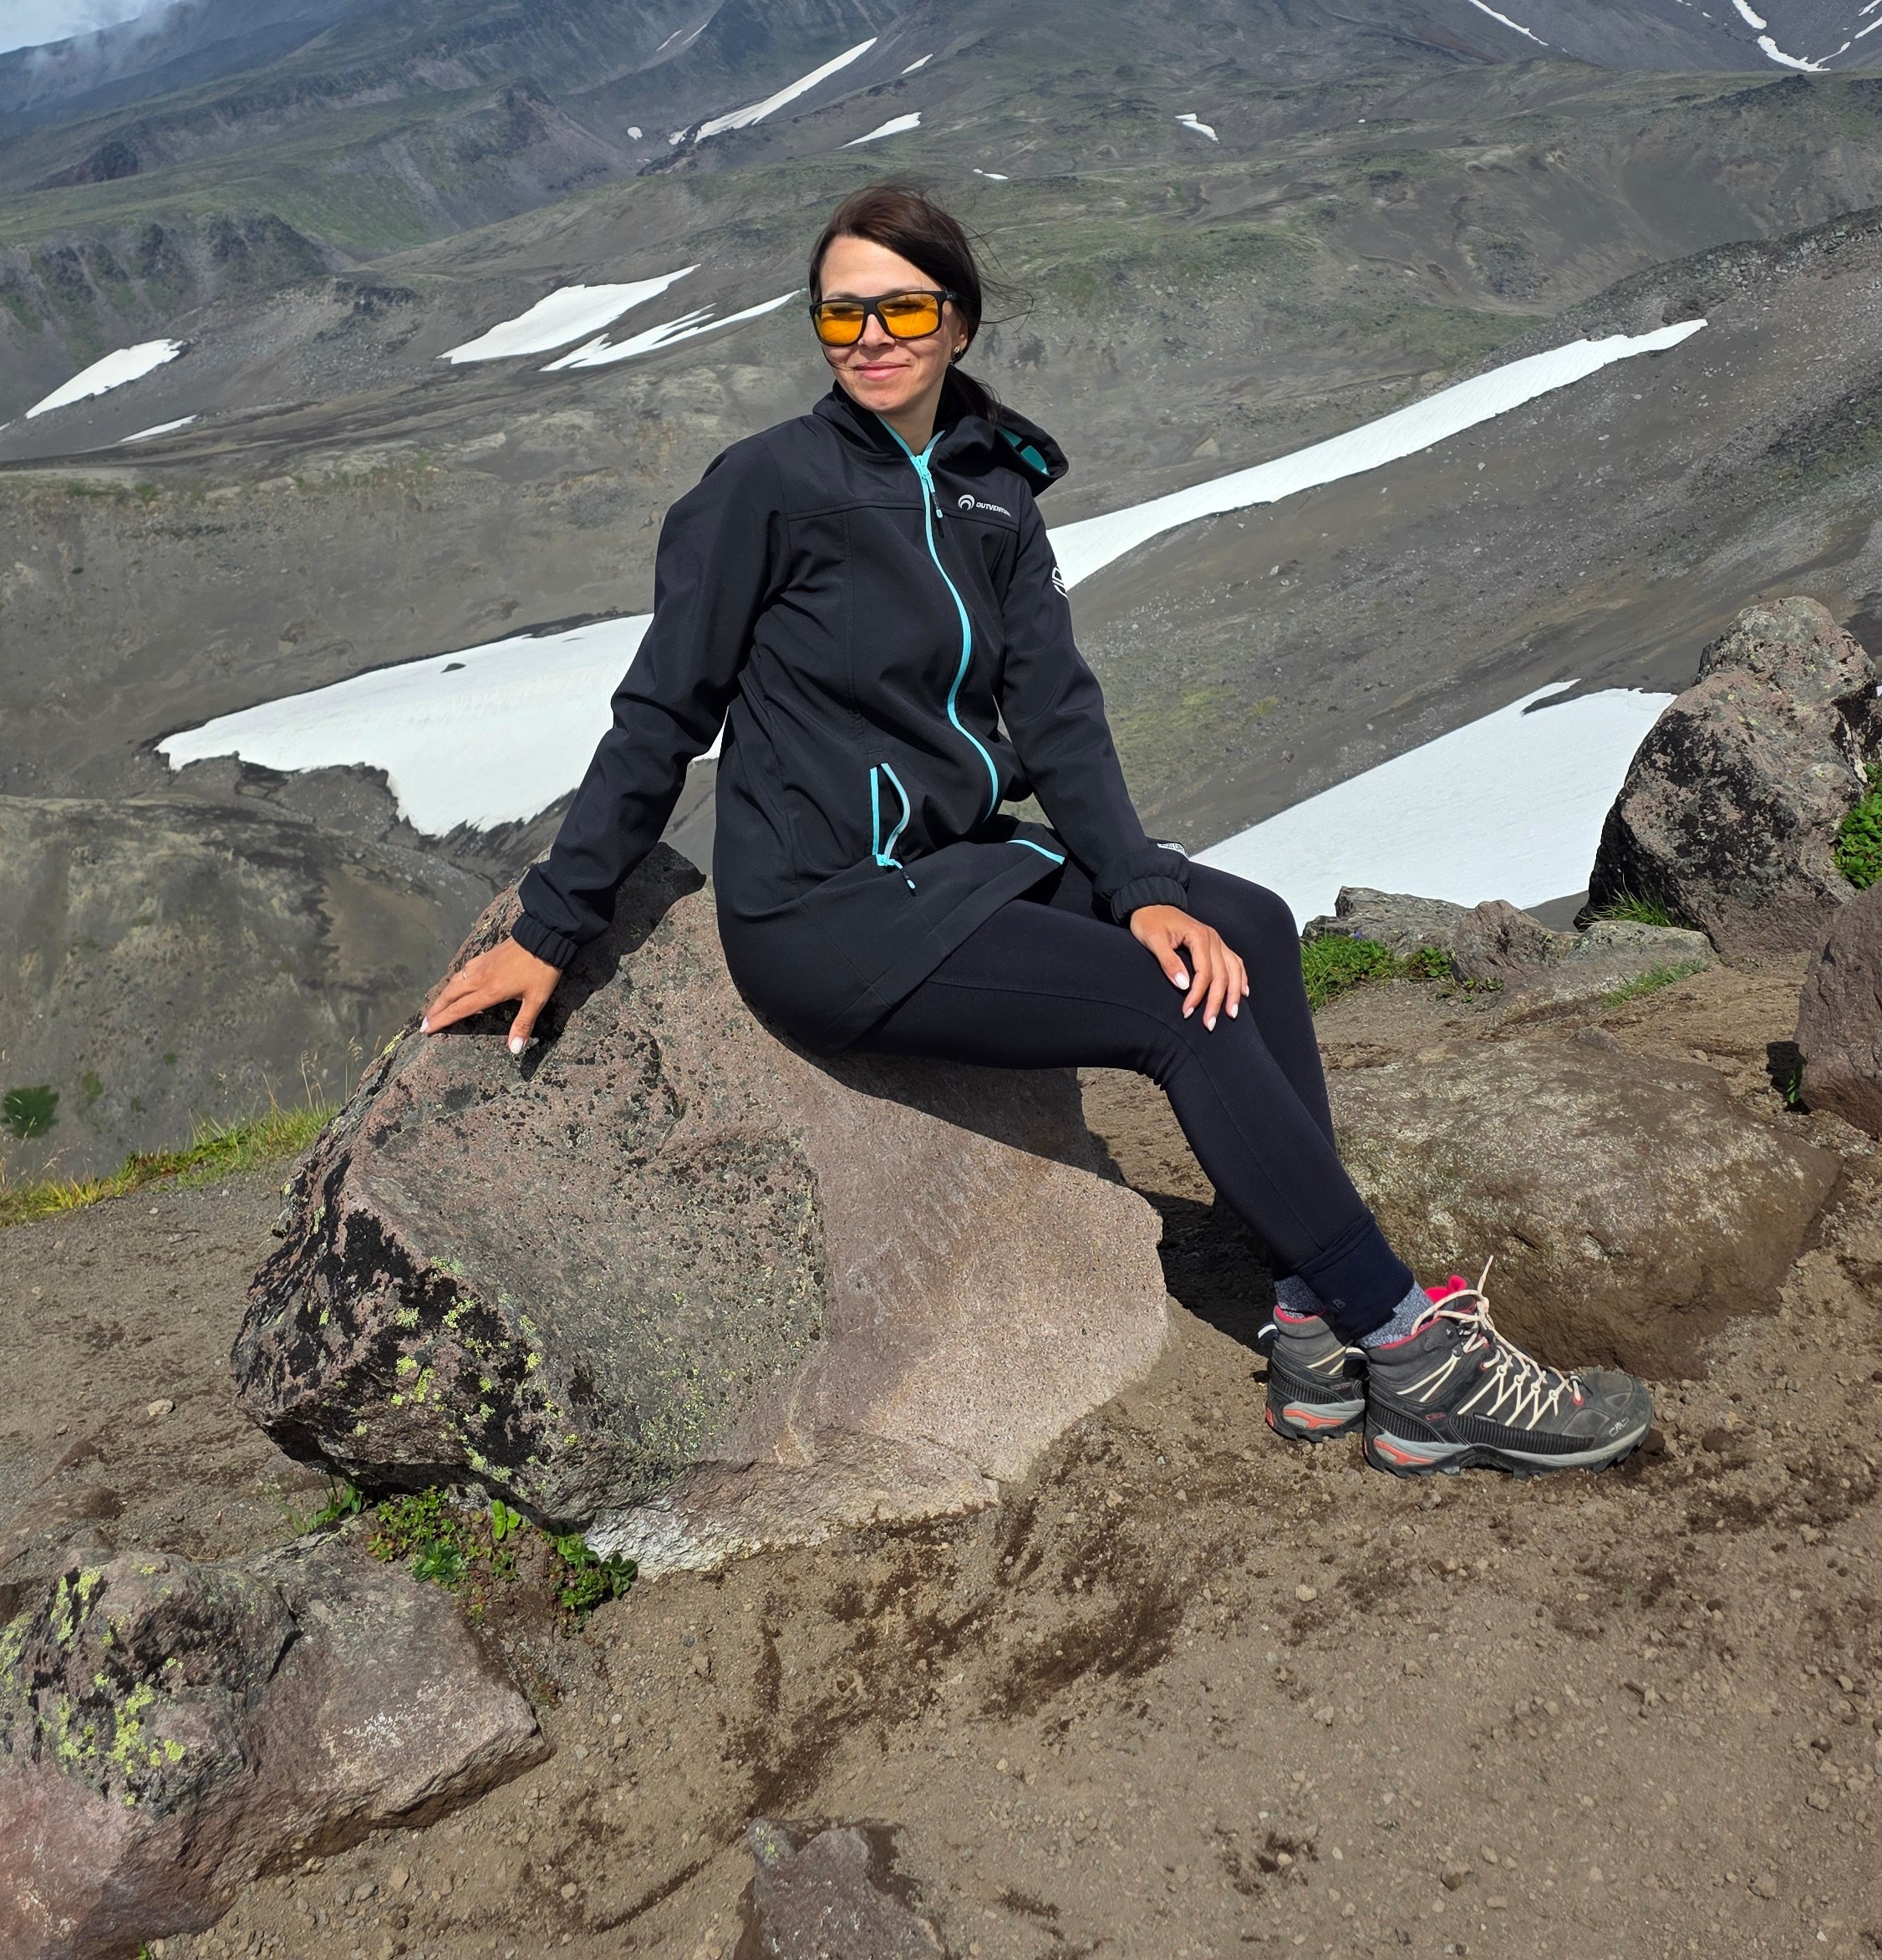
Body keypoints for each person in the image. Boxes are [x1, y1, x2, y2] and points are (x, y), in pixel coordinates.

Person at [423, 184, 1651, 1481]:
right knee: (1177, 1009)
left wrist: (1135, 883)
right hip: (830, 913)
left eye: (902, 307)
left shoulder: (994, 485)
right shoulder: (767, 490)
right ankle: (1410, 1352)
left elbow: (1054, 708)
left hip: (955, 866)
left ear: (958, 322)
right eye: (840, 314)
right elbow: (663, 709)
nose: (870, 337)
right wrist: (554, 927)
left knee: (1246, 925)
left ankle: (1306, 1324)